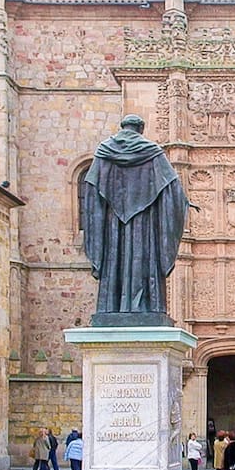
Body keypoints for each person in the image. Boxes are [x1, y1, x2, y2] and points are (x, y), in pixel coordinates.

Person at [82, 114, 194, 326]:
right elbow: (173, 189)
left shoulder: (104, 152)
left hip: (113, 226)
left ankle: (113, 305)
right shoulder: (152, 153)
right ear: (141, 129)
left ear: (122, 127)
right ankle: (144, 305)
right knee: (142, 259)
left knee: (116, 260)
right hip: (145, 225)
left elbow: (91, 190)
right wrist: (184, 204)